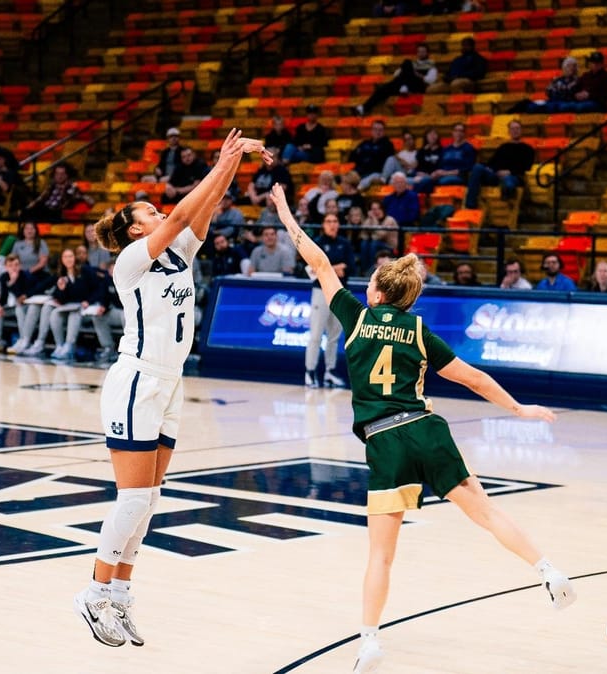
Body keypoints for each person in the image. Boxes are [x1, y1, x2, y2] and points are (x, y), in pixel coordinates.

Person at [268, 182, 576, 674]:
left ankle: (369, 640)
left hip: (385, 443)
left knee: (381, 555)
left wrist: (285, 210)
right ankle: (548, 570)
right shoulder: (418, 330)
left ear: (377, 291)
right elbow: (473, 378)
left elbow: (319, 263)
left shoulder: (356, 317)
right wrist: (518, 408)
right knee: (486, 512)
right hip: (427, 429)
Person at [73, 129, 269, 648]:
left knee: (151, 498)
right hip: (137, 380)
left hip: (171, 383)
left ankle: (120, 596)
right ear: (136, 230)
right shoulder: (130, 261)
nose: (162, 215)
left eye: (159, 212)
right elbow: (183, 213)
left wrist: (232, 165)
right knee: (134, 496)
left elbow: (203, 207)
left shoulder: (179, 250)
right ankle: (93, 594)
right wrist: (223, 157)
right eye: (151, 214)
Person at [304, 212, 356, 388]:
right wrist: (335, 269)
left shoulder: (345, 244)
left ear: (339, 224)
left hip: (340, 293)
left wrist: (326, 269)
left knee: (334, 336)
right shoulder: (317, 243)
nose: (332, 224)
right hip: (320, 292)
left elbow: (352, 268)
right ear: (323, 224)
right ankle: (310, 372)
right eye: (328, 221)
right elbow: (311, 271)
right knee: (316, 336)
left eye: (335, 221)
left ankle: (329, 372)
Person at [354, 43, 440, 117]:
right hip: (401, 86)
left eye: (423, 52)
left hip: (418, 85)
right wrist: (407, 71)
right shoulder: (412, 64)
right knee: (383, 89)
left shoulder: (431, 65)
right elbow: (396, 74)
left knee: (406, 63)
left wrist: (417, 74)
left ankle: (405, 86)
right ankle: (364, 107)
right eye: (419, 51)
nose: (421, 54)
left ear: (427, 53)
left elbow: (430, 80)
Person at [465, 120, 534, 209]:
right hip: (496, 175)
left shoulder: (527, 149)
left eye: (517, 128)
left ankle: (506, 211)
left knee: (508, 182)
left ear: (521, 131)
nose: (515, 131)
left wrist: (509, 172)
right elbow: (492, 163)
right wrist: (494, 170)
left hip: (514, 176)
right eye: (512, 129)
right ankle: (470, 205)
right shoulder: (503, 147)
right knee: (477, 167)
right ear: (509, 131)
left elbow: (527, 166)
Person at [413, 122, 476, 194]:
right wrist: (436, 172)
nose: (458, 133)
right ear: (452, 133)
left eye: (461, 131)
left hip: (458, 177)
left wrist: (445, 173)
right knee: (424, 180)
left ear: (464, 133)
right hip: (442, 175)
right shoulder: (447, 149)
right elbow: (440, 165)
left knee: (437, 181)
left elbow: (467, 169)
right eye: (456, 130)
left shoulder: (468, 148)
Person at [22, 164, 94, 223]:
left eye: (62, 174)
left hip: (57, 213)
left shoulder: (71, 187)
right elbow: (40, 199)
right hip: (44, 210)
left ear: (67, 175)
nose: (59, 176)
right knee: (26, 211)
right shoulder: (51, 186)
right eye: (57, 173)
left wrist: (85, 198)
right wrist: (28, 207)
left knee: (37, 212)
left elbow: (87, 199)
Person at [350, 121, 396, 190]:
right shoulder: (364, 143)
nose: (378, 132)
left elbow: (384, 161)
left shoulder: (388, 144)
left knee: (372, 177)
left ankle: (357, 190)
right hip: (359, 172)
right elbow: (352, 157)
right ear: (371, 131)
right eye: (375, 129)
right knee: (341, 177)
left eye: (380, 130)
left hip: (376, 173)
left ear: (384, 132)